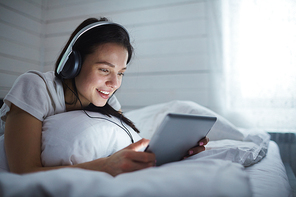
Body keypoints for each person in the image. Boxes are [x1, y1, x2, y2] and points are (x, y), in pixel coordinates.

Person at [0, 17, 208, 176]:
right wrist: (105, 167)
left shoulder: (107, 100)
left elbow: (121, 147)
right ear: (73, 64)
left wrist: (172, 152)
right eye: (104, 70)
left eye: (120, 73)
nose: (115, 84)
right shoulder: (36, 86)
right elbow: (24, 173)